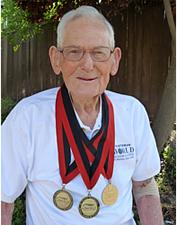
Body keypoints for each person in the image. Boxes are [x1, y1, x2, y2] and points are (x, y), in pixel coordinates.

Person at [2, 5, 164, 225]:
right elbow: (3, 199)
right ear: (56, 59)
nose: (87, 65)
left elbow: (145, 186)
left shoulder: (132, 112)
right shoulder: (27, 118)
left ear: (114, 60)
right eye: (74, 52)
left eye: (98, 52)